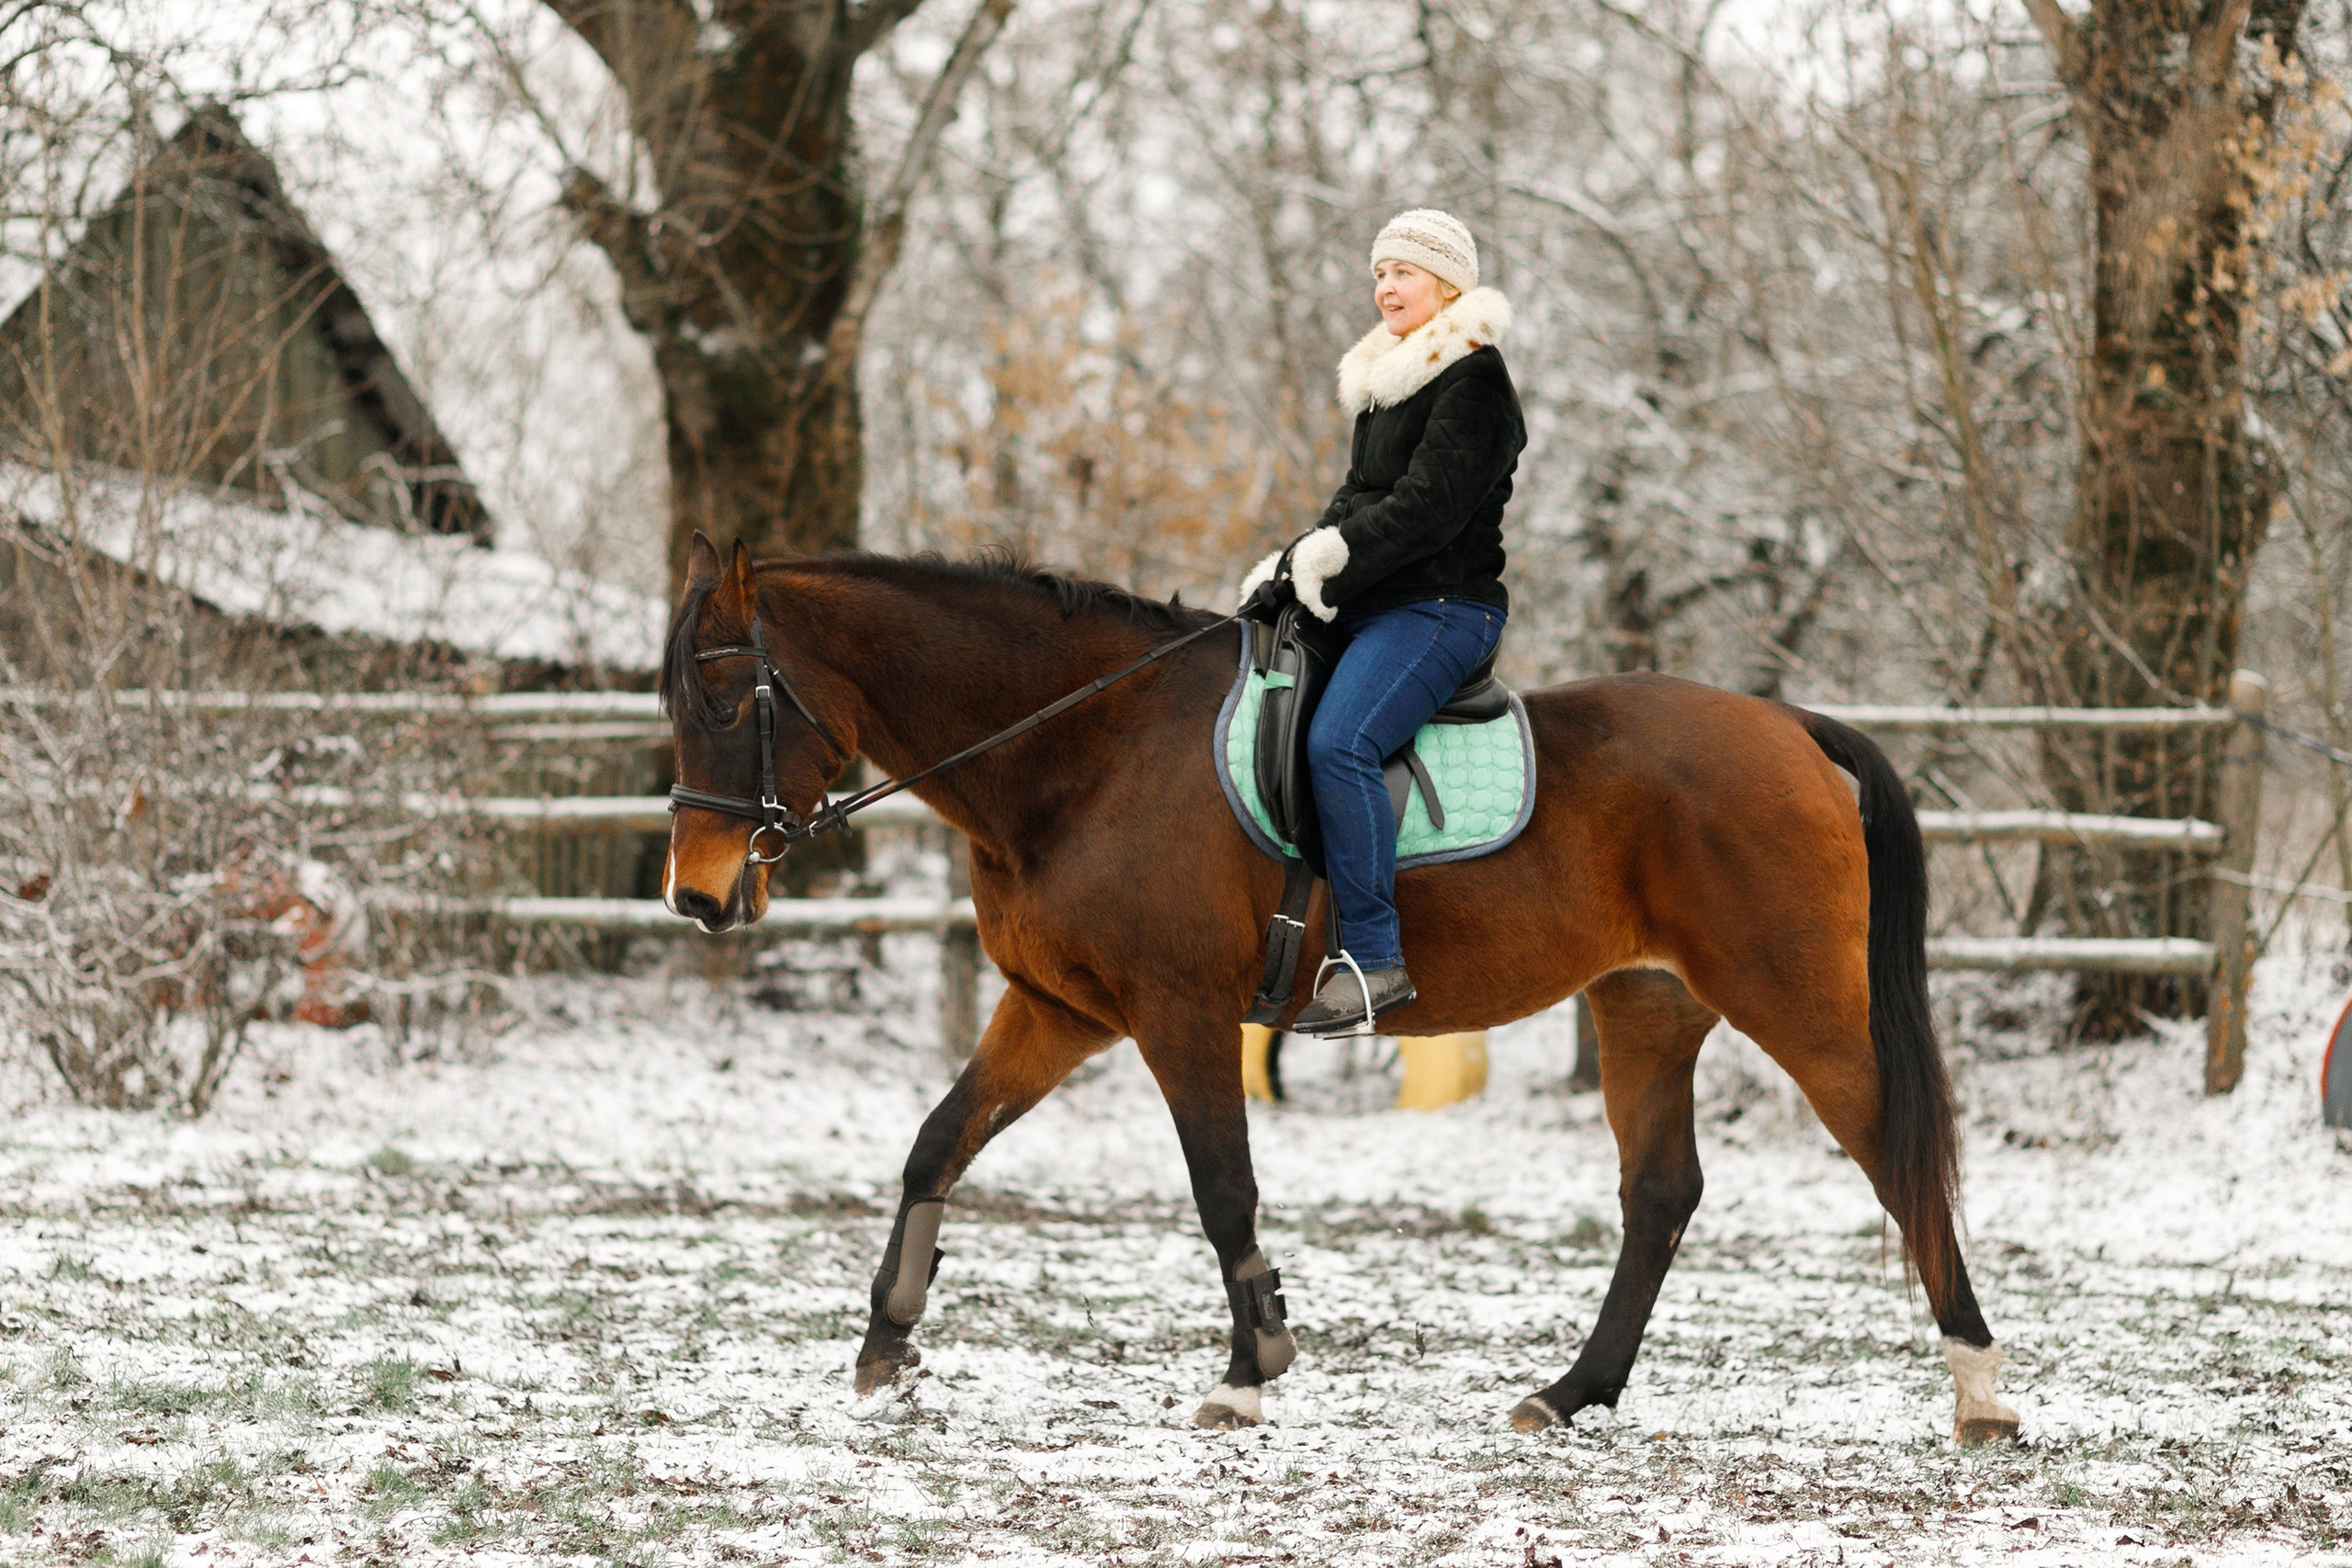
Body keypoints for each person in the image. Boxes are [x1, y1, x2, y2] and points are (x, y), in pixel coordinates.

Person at [1237, 209, 1525, 1036]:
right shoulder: (1384, 383)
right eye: (1378, 273)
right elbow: (1359, 501)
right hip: (1377, 605)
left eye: (1402, 272)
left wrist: (1337, 554)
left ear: (1448, 284)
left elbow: (1428, 510)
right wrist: (1292, 566)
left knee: (1341, 742)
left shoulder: (1473, 378)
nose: (1385, 287)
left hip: (1443, 609)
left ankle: (1372, 959)